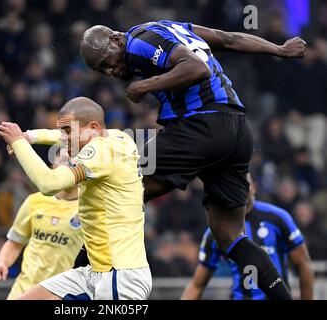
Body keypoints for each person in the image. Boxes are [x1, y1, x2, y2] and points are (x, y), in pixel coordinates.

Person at [80, 20, 306, 300]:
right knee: (229, 236)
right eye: (102, 70)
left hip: (201, 125)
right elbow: (227, 37)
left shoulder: (139, 41)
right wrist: (279, 50)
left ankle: (80, 280)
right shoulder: (171, 28)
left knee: (116, 187)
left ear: (115, 39)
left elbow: (197, 68)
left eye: (107, 63)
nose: (111, 72)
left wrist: (145, 86)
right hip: (237, 130)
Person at [0, 97, 151, 300]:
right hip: (94, 272)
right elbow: (61, 136)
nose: (63, 138)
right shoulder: (118, 137)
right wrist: (30, 137)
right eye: (63, 131)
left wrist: (17, 142)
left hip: (118, 276)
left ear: (94, 128)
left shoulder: (101, 153)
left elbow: (48, 184)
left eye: (68, 131)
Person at [181, 174, 314, 300]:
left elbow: (303, 264)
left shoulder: (278, 218)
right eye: (234, 186)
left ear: (254, 187)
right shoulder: (217, 231)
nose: (239, 189)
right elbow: (197, 285)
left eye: (244, 184)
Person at [0, 150, 84, 300]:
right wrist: (2, 264)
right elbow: (14, 243)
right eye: (62, 160)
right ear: (52, 167)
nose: (66, 165)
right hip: (23, 291)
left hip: (61, 294)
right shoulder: (34, 201)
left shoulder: (90, 209)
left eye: (72, 161)